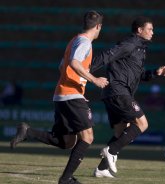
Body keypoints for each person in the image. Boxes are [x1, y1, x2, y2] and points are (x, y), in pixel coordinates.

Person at [10, 10, 108, 184]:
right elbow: (73, 63)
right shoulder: (85, 42)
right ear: (98, 26)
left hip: (63, 95)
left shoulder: (74, 40)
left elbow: (62, 65)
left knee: (67, 141)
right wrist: (93, 80)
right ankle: (66, 179)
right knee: (88, 137)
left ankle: (28, 131)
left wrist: (74, 85)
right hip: (71, 96)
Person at [89, 16, 165, 178]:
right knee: (142, 123)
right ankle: (111, 151)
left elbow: (140, 75)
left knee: (120, 132)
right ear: (139, 30)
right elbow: (107, 55)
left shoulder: (140, 49)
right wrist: (86, 70)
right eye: (150, 29)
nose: (153, 32)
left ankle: (102, 169)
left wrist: (156, 72)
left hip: (114, 92)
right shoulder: (130, 43)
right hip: (118, 91)